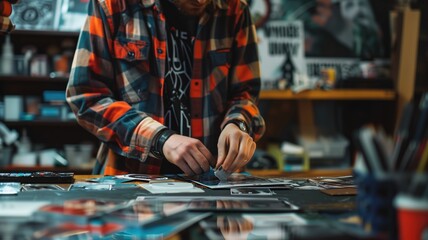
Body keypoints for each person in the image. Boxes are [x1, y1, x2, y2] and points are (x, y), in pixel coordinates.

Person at [66, 0, 266, 176]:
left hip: (214, 182)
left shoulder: (235, 11)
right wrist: (160, 139)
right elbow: (86, 96)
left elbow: (245, 93)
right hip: (132, 182)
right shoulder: (113, 5)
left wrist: (237, 124)